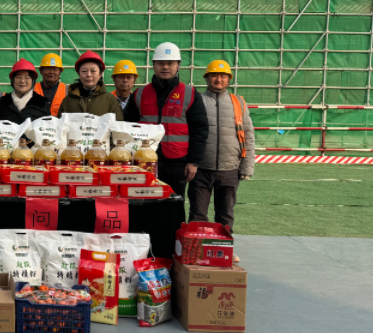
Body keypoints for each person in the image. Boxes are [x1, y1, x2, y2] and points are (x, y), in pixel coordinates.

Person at [123, 42, 209, 199]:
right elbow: (127, 128)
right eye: (161, 63)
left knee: (174, 204)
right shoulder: (139, 94)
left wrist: (194, 162)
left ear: (178, 66)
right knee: (144, 203)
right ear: (153, 65)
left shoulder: (190, 94)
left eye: (170, 63)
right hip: (144, 160)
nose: (165, 67)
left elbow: (200, 130)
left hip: (177, 162)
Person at [188, 60, 255, 229]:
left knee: (225, 215)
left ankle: (224, 245)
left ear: (229, 79)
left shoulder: (238, 103)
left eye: (223, 76)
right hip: (200, 169)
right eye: (214, 75)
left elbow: (248, 135)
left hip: (230, 169)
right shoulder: (196, 100)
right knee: (197, 214)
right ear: (206, 78)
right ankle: (196, 245)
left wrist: (247, 167)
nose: (219, 79)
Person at [57, 51, 124, 119]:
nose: (88, 75)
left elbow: (118, 123)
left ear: (100, 74)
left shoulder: (110, 100)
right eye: (84, 71)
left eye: (93, 71)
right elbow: (60, 123)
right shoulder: (67, 101)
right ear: (78, 74)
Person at [0, 59, 50, 125]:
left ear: (33, 81)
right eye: (18, 77)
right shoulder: (4, 102)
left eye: (27, 77)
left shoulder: (42, 103)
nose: (22, 81)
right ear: (13, 80)